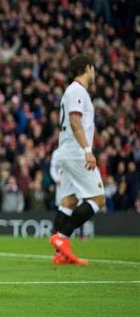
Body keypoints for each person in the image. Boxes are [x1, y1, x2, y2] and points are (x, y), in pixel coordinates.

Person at [49, 55, 106, 265]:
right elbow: (75, 121)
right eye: (94, 69)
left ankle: (59, 254)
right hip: (75, 153)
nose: (95, 73)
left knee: (69, 201)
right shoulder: (77, 91)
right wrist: (87, 150)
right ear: (88, 68)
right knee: (98, 198)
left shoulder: (74, 91)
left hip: (66, 152)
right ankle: (62, 238)